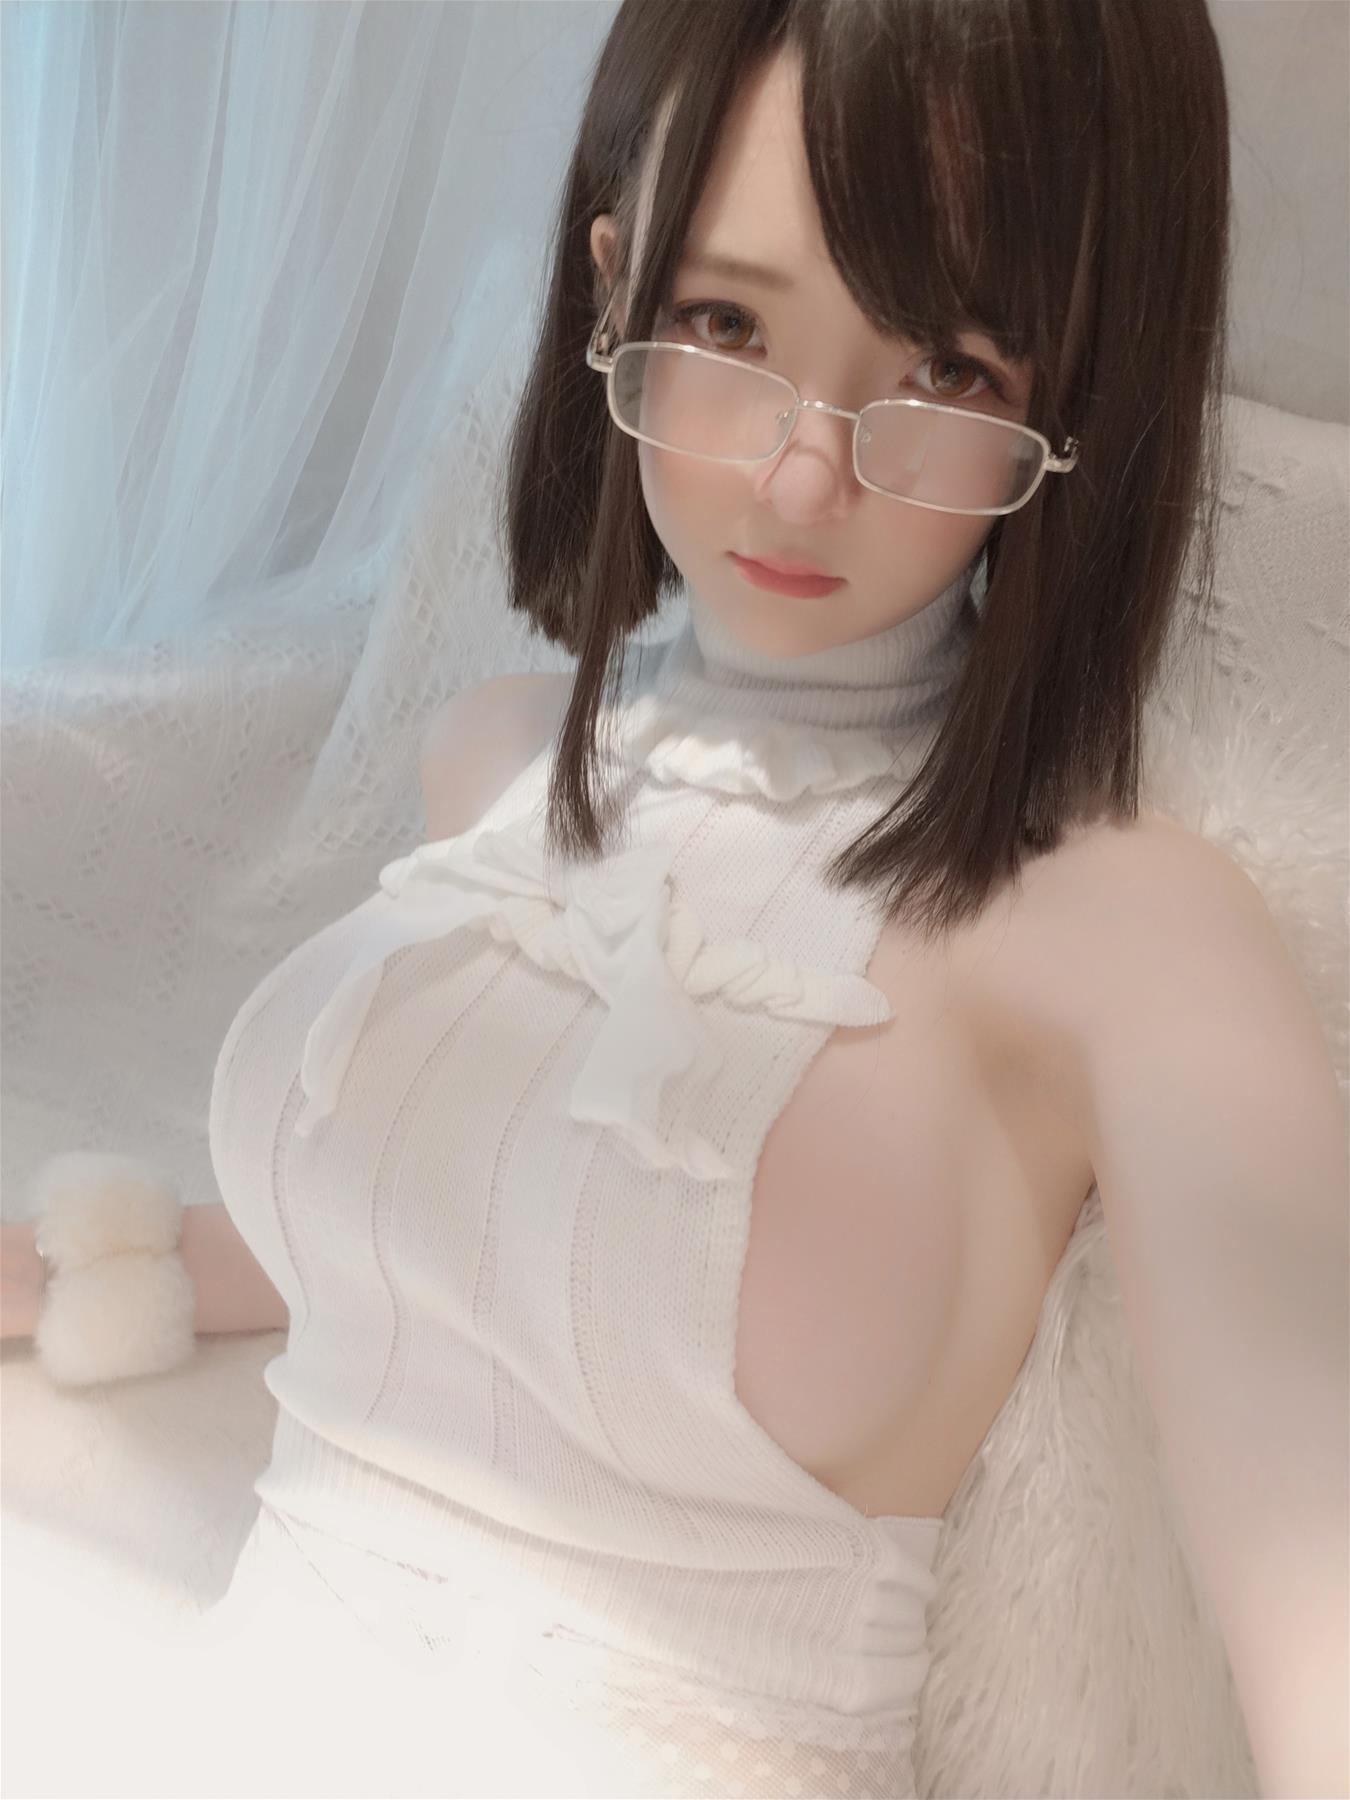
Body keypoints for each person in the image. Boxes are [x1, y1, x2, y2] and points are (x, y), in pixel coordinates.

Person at [8, 3, 1347, 1796]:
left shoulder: (1129, 940)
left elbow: (1316, 1616)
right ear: (610, 283)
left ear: (1075, 398)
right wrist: (97, 1265)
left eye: (947, 370)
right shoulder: (494, 767)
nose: (802, 473)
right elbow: (452, 1231)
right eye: (725, 324)